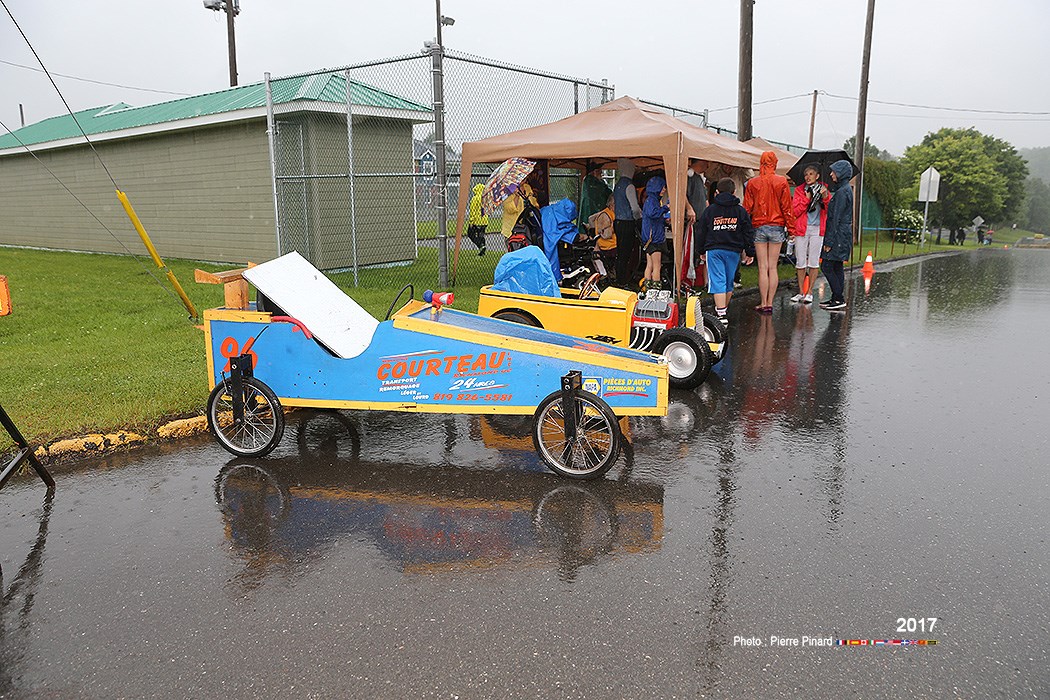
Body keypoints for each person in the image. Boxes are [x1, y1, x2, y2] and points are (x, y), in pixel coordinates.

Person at [697, 178, 755, 326]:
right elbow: (748, 232)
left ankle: (721, 313)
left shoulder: (710, 210)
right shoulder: (740, 211)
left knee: (718, 281)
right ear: (734, 192)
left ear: (717, 192)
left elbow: (701, 230)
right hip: (733, 250)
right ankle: (723, 309)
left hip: (714, 249)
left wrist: (701, 250)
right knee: (729, 282)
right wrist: (750, 252)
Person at [743, 151, 793, 313]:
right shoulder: (781, 182)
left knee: (762, 267)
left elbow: (747, 208)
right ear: (775, 163)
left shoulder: (752, 183)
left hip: (758, 225)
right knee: (773, 267)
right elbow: (787, 207)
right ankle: (770, 303)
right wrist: (791, 229)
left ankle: (763, 302)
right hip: (777, 226)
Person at [790, 165, 830, 304]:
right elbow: (794, 211)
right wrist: (807, 199)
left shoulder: (824, 188)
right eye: (806, 174)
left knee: (813, 261)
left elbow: (829, 208)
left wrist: (824, 196)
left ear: (817, 176)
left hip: (817, 229)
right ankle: (801, 291)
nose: (808, 177)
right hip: (802, 228)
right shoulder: (800, 190)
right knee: (800, 262)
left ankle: (810, 292)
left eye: (811, 174)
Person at [819, 160, 853, 312]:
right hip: (842, 233)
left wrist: (829, 241)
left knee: (826, 266)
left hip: (838, 234)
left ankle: (838, 298)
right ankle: (837, 298)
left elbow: (835, 218)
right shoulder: (845, 190)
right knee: (836, 265)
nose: (831, 174)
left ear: (841, 173)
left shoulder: (841, 192)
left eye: (833, 171)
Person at [613, 158, 642, 287]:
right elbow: (634, 208)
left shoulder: (618, 184)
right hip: (627, 223)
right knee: (627, 253)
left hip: (618, 221)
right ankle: (623, 281)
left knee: (620, 252)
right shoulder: (629, 186)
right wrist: (640, 218)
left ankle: (619, 278)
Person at [641, 175, 670, 290]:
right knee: (657, 266)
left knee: (650, 265)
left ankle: (647, 288)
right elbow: (654, 214)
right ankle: (655, 289)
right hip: (654, 239)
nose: (664, 190)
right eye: (663, 187)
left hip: (649, 239)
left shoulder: (649, 200)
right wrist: (666, 208)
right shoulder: (652, 201)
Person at [578, 165, 612, 237]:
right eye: (599, 171)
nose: (601, 173)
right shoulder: (590, 181)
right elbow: (603, 191)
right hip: (592, 211)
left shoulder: (595, 182)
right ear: (595, 172)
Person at [467, 183, 488, 255]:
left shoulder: (475, 198)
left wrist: (471, 222)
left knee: (470, 234)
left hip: (477, 221)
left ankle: (481, 246)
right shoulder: (485, 198)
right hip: (484, 221)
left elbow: (472, 211)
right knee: (481, 235)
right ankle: (483, 250)